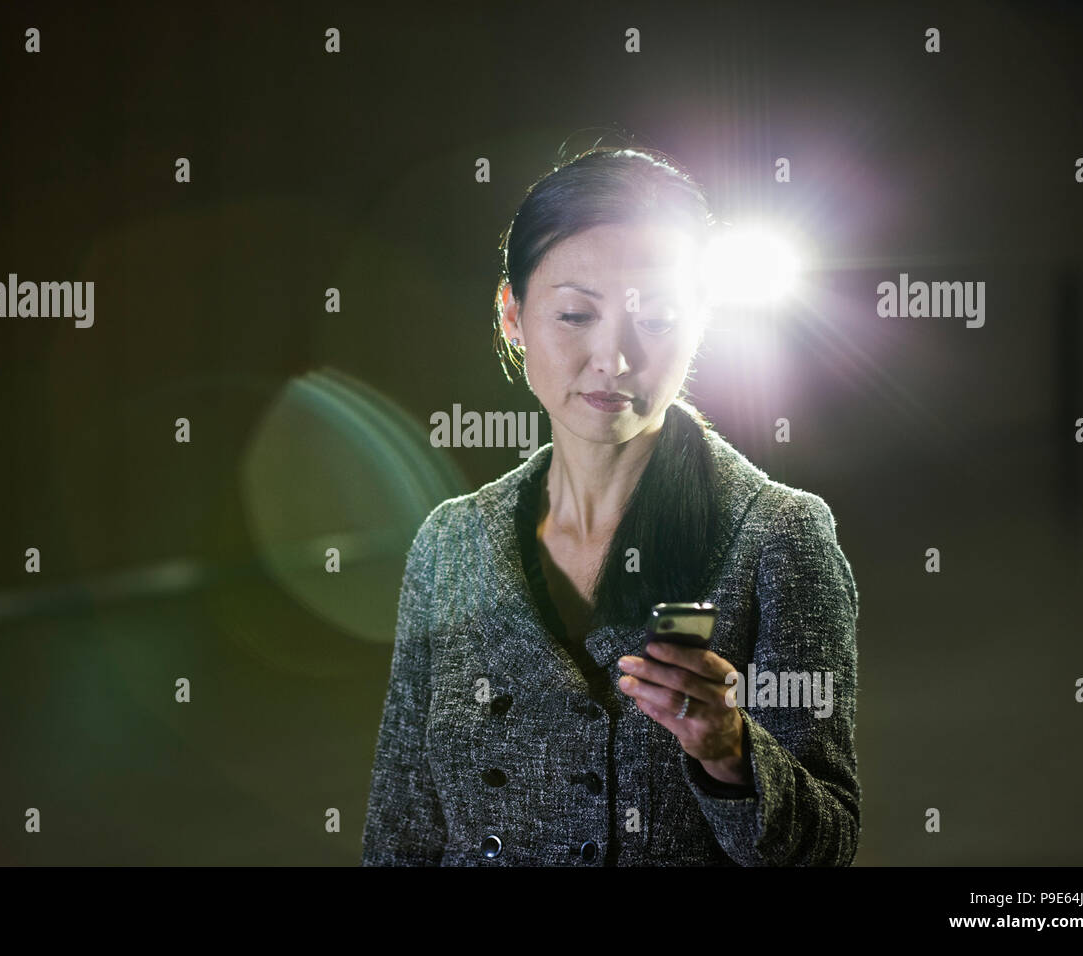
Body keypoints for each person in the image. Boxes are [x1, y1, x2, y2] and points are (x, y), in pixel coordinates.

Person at [361, 143, 860, 866]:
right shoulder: (452, 543)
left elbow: (828, 849)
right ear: (512, 315)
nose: (614, 358)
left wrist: (731, 752)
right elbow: (401, 827)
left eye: (655, 319)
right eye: (573, 314)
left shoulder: (780, 537)